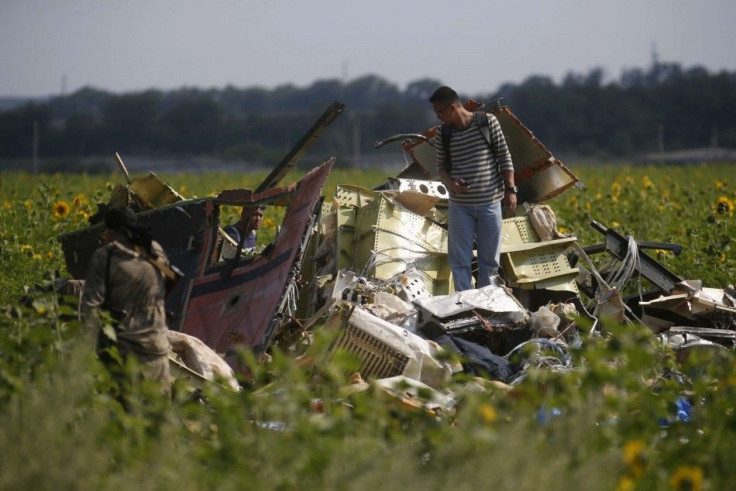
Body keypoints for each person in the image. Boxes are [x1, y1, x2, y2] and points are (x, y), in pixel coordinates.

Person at [429, 86, 517, 291]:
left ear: (453, 107)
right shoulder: (443, 134)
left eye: (441, 113)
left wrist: (511, 190)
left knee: (489, 263)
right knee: (459, 262)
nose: (439, 118)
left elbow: (505, 157)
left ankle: (487, 304)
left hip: (490, 204)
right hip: (460, 206)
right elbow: (441, 168)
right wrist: (453, 185)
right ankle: (466, 305)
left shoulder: (487, 123)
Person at [81, 205, 173, 395]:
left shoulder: (105, 258)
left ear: (112, 231)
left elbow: (89, 309)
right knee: (159, 418)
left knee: (125, 416)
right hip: (158, 350)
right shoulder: (154, 249)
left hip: (125, 352)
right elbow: (170, 281)